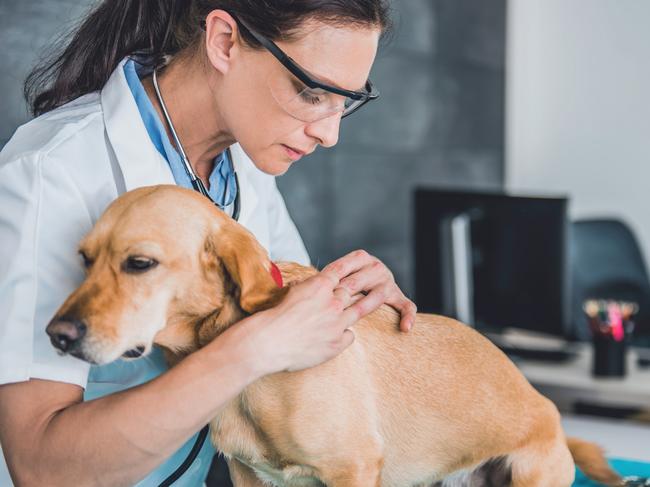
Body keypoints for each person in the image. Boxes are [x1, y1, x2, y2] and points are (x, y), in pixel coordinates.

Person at [0, 1, 417, 485]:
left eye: (346, 101)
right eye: (310, 92)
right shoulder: (49, 172)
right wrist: (251, 350)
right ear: (223, 41)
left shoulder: (244, 164)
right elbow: (40, 468)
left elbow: (297, 346)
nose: (330, 134)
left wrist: (354, 307)